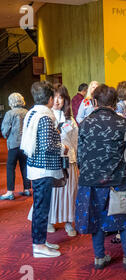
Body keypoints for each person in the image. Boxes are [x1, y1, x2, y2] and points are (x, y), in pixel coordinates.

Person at [75, 84, 126, 270]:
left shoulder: (86, 123)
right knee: (124, 219)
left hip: (91, 180)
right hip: (118, 179)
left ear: (95, 102)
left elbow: (80, 155)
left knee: (95, 219)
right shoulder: (123, 123)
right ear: (114, 102)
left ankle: (99, 257)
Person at [21, 81, 69, 258]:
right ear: (50, 99)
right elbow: (49, 145)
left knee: (40, 207)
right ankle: (39, 246)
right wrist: (63, 147)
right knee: (42, 208)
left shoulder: (33, 112)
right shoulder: (45, 117)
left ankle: (40, 240)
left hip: (35, 166)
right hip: (44, 169)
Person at [28, 84, 78, 236]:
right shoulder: (45, 116)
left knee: (69, 192)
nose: (57, 101)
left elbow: (76, 141)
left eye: (60, 97)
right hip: (51, 162)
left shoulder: (70, 118)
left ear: (65, 99)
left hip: (68, 160)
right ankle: (50, 220)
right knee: (52, 193)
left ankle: (69, 222)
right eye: (54, 96)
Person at [0, 93, 31, 200]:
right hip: (25, 144)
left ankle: (10, 192)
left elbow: (5, 130)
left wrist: (6, 135)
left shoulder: (10, 113)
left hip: (13, 144)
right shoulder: (27, 112)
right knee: (24, 166)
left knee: (10, 166)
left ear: (11, 102)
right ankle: (27, 189)